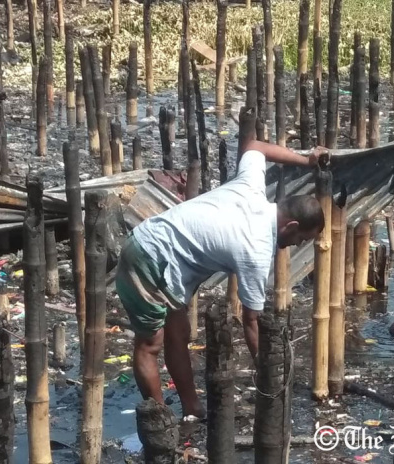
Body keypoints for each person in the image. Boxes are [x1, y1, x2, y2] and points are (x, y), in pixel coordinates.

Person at [115, 140, 327, 419]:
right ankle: (159, 421)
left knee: (178, 336)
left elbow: (255, 146)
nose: (296, 245)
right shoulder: (257, 248)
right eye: (302, 239)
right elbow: (252, 321)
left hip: (166, 259)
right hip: (147, 256)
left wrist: (307, 159)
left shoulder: (251, 188)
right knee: (150, 343)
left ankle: (192, 410)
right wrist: (267, 374)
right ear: (292, 226)